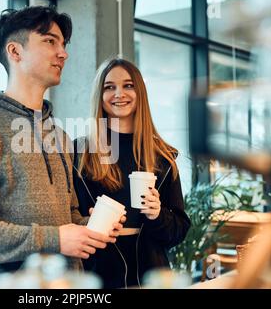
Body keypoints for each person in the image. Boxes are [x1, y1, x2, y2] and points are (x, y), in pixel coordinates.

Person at [0, 6, 122, 288]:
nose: (63, 53)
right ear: (15, 52)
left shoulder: (59, 135)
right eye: (50, 41)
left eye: (63, 44)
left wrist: (88, 228)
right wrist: (56, 238)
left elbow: (67, 214)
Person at [73, 58, 191, 289]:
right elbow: (65, 218)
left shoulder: (163, 156)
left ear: (140, 92)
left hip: (150, 276)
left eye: (128, 85)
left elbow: (178, 231)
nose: (119, 93)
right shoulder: (78, 153)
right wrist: (86, 221)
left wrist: (158, 215)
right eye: (109, 87)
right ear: (100, 94)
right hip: (96, 277)